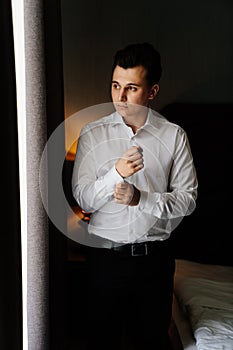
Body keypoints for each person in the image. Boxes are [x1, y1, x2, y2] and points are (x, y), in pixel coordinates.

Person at [72, 42, 198, 349]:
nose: (120, 97)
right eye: (115, 86)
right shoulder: (93, 133)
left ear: (152, 92)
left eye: (131, 88)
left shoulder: (173, 136)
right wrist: (115, 173)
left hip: (154, 264)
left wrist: (141, 198)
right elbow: (84, 199)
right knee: (99, 342)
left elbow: (188, 199)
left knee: (151, 343)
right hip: (104, 261)